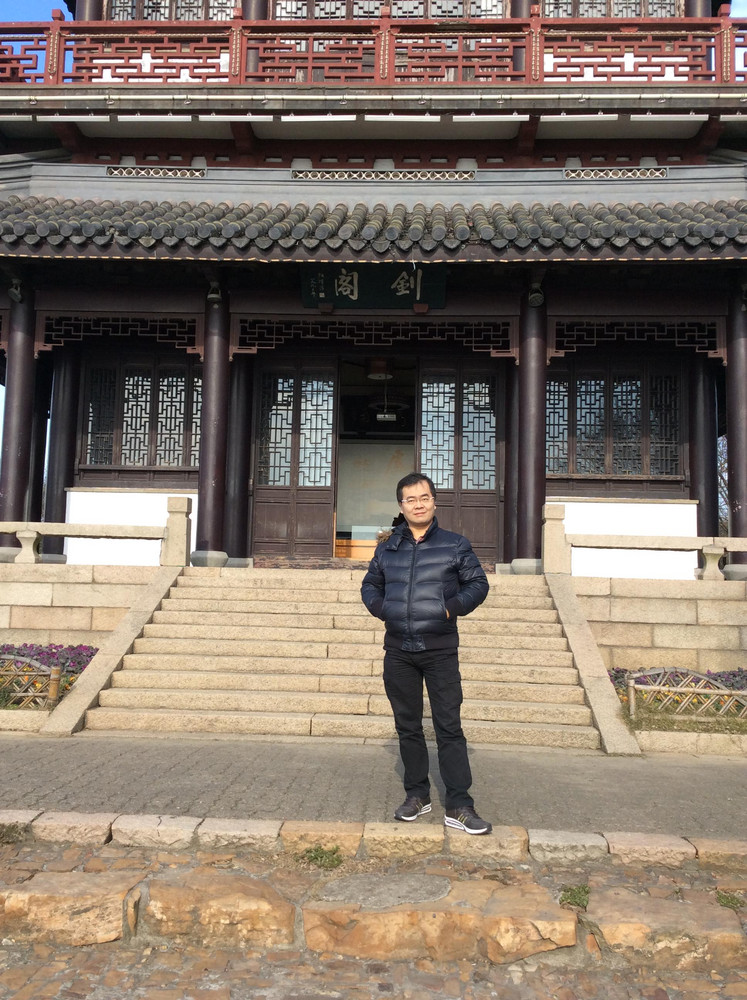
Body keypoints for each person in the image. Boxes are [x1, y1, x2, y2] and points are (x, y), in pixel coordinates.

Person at [361, 472, 492, 835]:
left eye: (424, 498)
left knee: (449, 727)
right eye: (410, 500)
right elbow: (370, 585)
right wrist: (383, 609)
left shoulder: (455, 545)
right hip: (399, 651)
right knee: (407, 726)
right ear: (401, 506)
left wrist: (450, 608)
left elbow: (478, 584)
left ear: (434, 501)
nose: (418, 505)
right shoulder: (388, 548)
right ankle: (417, 794)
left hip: (440, 651)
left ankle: (460, 804)